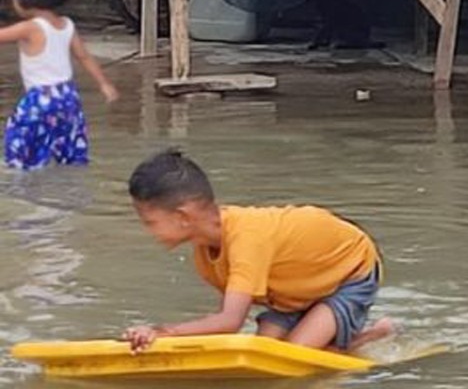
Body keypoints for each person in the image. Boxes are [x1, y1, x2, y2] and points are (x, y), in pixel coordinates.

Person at [123, 149, 394, 353]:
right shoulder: (205, 254)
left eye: (151, 222)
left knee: (292, 356)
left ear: (183, 217)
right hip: (293, 289)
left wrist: (162, 332)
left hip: (349, 270)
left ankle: (370, 336)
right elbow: (226, 321)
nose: (149, 231)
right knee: (263, 349)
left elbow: (229, 321)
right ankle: (329, 335)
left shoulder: (246, 239)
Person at [0, 0, 117, 170]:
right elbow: (84, 57)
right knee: (68, 150)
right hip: (68, 98)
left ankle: (23, 186)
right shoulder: (66, 25)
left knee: (20, 145)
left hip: (41, 99)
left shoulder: (30, 27)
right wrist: (104, 84)